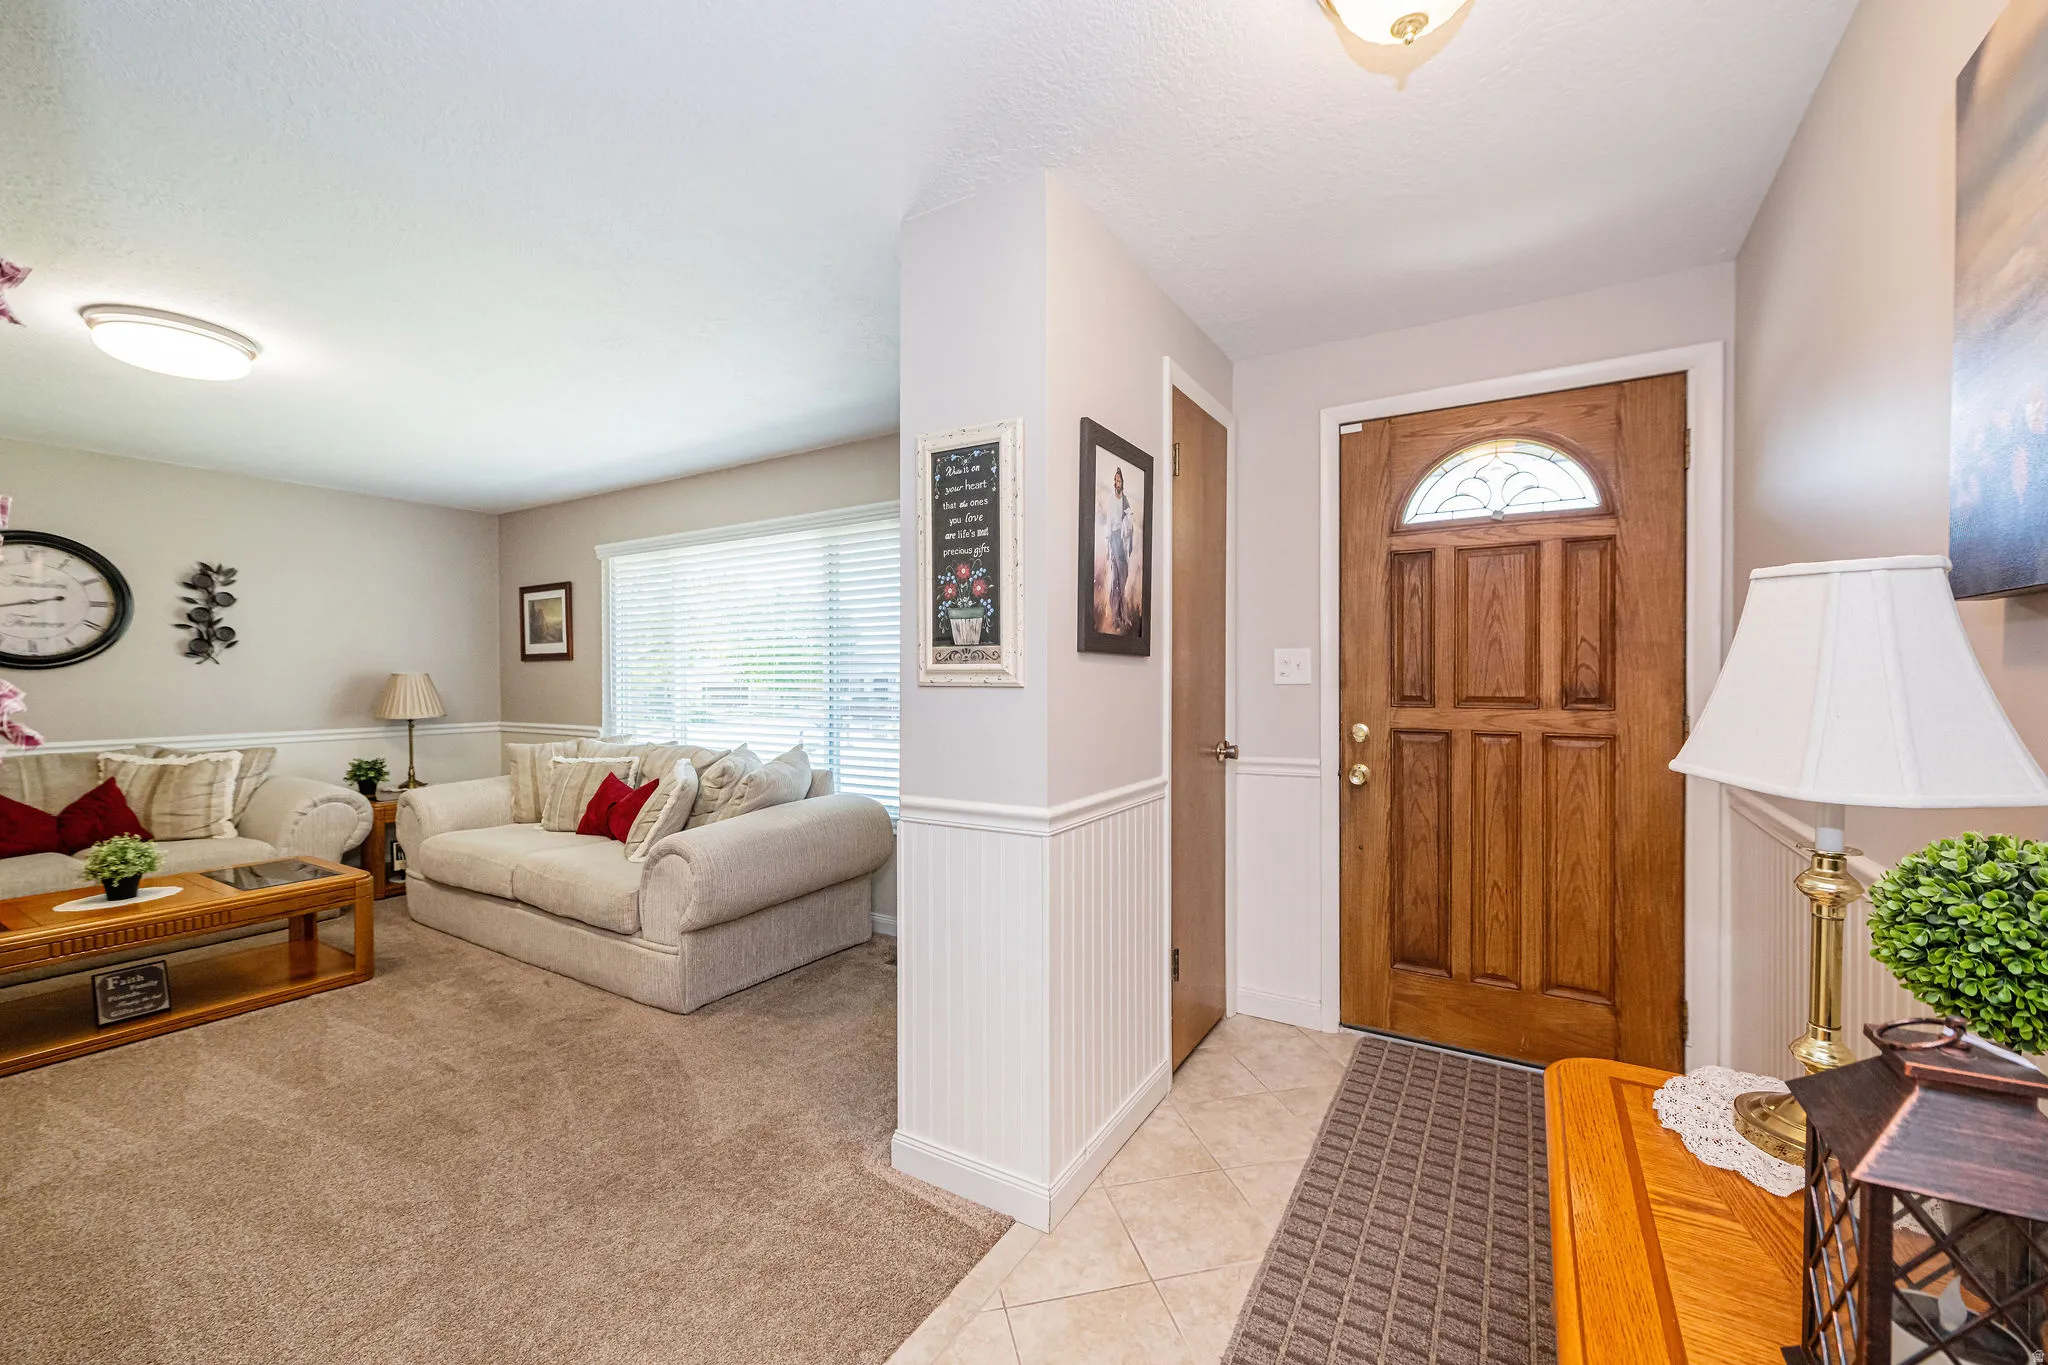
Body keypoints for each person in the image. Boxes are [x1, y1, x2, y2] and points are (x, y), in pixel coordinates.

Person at [1106, 466, 1134, 632]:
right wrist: (1109, 546)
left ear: (1122, 482)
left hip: (1122, 541)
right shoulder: (1111, 500)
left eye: (1119, 480)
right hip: (1114, 539)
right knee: (1116, 579)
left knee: (1123, 578)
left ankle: (1122, 615)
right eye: (1115, 480)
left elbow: (1130, 518)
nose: (1117, 483)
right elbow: (1109, 523)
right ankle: (1116, 617)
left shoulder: (1125, 500)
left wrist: (1127, 523)